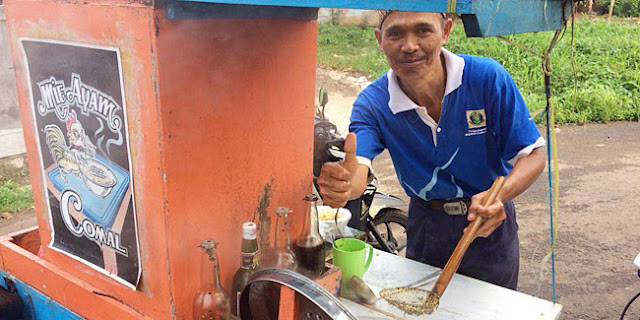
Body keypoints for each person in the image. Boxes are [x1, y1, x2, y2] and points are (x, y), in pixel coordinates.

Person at [316, 11, 546, 290]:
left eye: (423, 31)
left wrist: (500, 194)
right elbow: (357, 175)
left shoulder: (486, 79)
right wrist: (341, 186)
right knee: (424, 308)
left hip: (489, 222)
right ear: (380, 40)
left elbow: (533, 154)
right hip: (426, 226)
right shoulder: (374, 103)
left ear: (446, 31)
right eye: (395, 33)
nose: (409, 45)